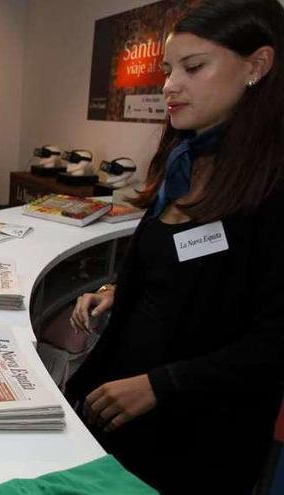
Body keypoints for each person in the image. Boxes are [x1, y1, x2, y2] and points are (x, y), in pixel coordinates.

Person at [67, 1, 284, 493]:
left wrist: (161, 386)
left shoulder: (273, 185)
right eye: (168, 70)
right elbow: (178, 261)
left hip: (198, 432)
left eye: (193, 67)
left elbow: (273, 342)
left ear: (256, 66)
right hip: (124, 404)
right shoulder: (186, 155)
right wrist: (121, 289)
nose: (168, 86)